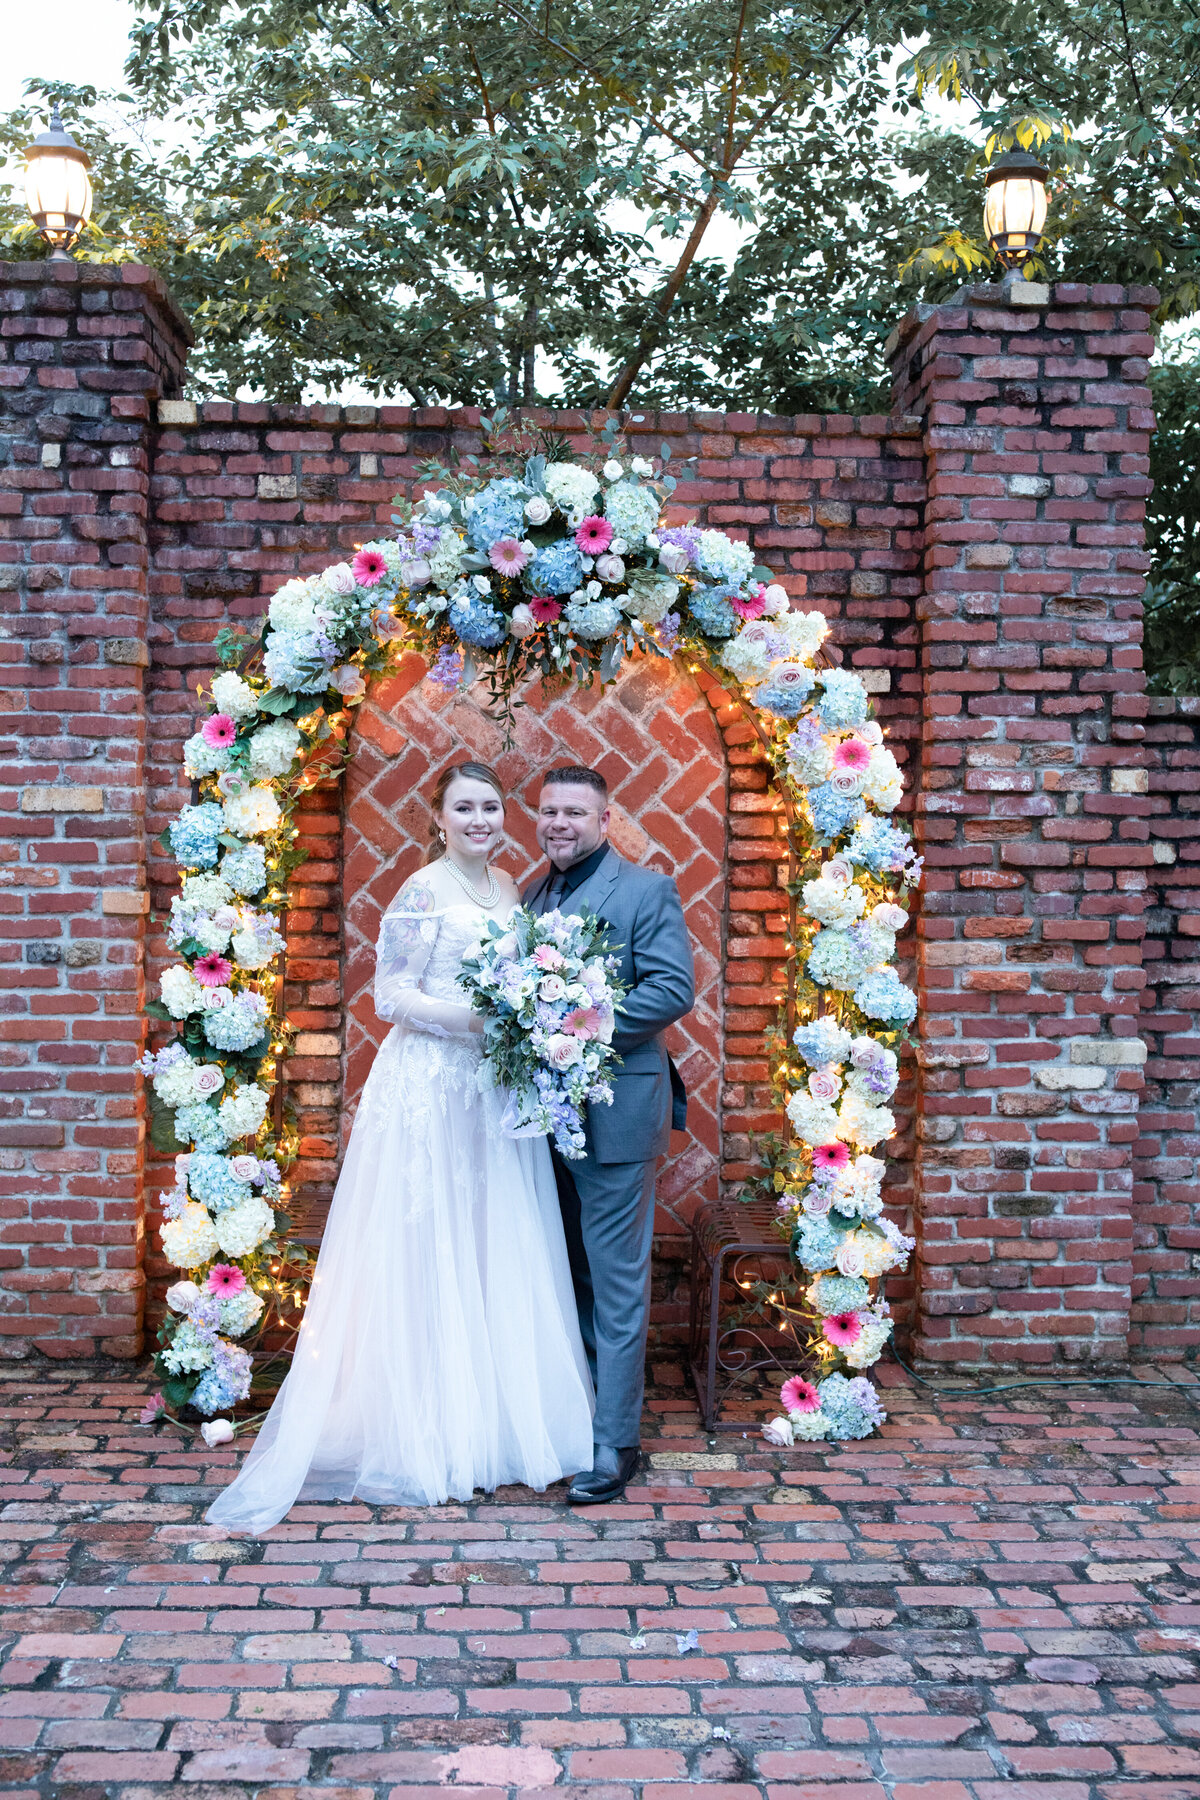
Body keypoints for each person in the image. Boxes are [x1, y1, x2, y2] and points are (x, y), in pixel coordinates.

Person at [205, 761, 594, 1533]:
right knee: (428, 1240)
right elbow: (389, 995)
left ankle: (494, 1419)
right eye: (464, 808)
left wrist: (522, 1021)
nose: (480, 819)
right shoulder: (422, 888)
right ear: (439, 819)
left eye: (489, 806)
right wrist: (480, 1019)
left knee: (492, 1238)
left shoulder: (511, 890)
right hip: (427, 1087)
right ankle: (423, 1425)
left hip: (490, 1090)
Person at [524, 765, 695, 1504]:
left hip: (615, 1114)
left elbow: (670, 989)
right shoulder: (530, 893)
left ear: (604, 819)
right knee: (567, 1278)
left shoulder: (644, 889)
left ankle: (613, 1443)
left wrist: (575, 1029)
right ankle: (571, 1416)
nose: (559, 823)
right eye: (549, 811)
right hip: (541, 1120)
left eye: (574, 812)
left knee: (617, 1285)